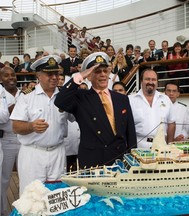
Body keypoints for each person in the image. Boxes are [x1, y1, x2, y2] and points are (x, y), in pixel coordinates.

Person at [55, 52, 136, 168]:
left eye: (105, 71)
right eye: (97, 71)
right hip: (93, 160)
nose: (103, 75)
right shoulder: (82, 97)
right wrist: (80, 76)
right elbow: (60, 101)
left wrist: (132, 158)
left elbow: (130, 131)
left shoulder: (121, 98)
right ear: (89, 76)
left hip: (118, 159)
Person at [10, 55, 71, 195]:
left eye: (56, 73)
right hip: (33, 154)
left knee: (57, 197)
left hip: (58, 153)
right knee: (31, 198)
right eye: (49, 74)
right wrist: (31, 126)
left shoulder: (64, 96)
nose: (54, 77)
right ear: (39, 75)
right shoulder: (26, 96)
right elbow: (16, 126)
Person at [129, 69, 176, 149]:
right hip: (138, 147)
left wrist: (169, 145)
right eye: (147, 79)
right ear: (141, 81)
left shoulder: (166, 99)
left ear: (157, 82)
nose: (150, 82)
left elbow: (171, 124)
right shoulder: (130, 100)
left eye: (154, 79)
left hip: (161, 146)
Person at [0, 66, 21, 215]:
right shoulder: (0, 93)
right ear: (1, 79)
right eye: (6, 76)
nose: (11, 78)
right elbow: (2, 118)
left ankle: (25, 210)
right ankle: (3, 209)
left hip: (25, 139)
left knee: (27, 175)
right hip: (6, 139)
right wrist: (16, 105)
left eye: (13, 75)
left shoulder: (24, 93)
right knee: (4, 178)